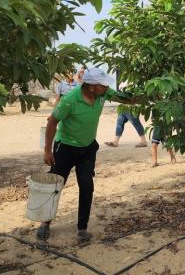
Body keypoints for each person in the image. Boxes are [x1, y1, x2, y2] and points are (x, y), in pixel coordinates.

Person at [38, 67, 135, 244]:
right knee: (55, 186)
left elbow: (126, 99)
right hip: (65, 148)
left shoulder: (102, 93)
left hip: (87, 148)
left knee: (86, 186)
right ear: (91, 86)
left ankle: (82, 228)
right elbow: (52, 122)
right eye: (103, 85)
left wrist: (149, 96)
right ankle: (45, 222)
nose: (107, 88)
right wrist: (47, 150)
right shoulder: (69, 100)